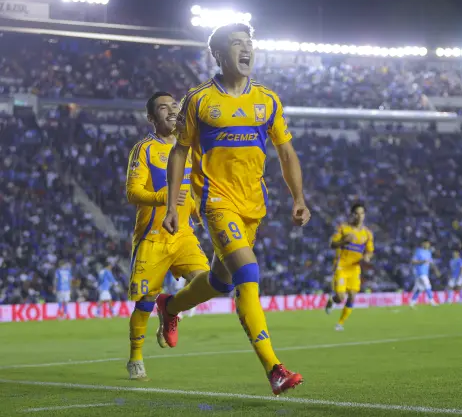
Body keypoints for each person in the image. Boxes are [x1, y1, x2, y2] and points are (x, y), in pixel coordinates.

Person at [158, 23, 311, 395]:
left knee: (220, 281)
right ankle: (274, 368)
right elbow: (180, 151)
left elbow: (286, 151)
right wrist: (173, 203)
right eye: (236, 44)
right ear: (219, 55)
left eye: (249, 44)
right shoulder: (199, 101)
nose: (246, 49)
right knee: (248, 274)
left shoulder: (267, 101)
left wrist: (299, 198)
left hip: (252, 206)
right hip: (216, 202)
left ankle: (170, 305)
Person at [125, 92, 210, 380]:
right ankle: (136, 357)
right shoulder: (144, 149)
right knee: (144, 300)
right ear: (151, 118)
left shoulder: (190, 147)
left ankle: (170, 308)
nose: (171, 111)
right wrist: (165, 196)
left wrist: (198, 210)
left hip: (183, 235)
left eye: (175, 105)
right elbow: (132, 192)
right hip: (153, 236)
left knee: (209, 282)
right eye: (163, 108)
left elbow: (196, 186)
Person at [324, 203, 374, 331]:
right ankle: (332, 300)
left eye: (362, 213)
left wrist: (367, 256)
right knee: (340, 298)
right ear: (352, 215)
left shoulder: (367, 233)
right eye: (356, 213)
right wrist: (343, 242)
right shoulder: (343, 229)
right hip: (341, 267)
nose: (359, 216)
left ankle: (340, 323)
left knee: (352, 296)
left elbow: (369, 251)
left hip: (355, 268)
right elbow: (332, 244)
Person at [409, 240, 440, 307]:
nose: (428, 245)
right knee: (427, 285)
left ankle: (412, 302)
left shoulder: (429, 252)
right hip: (420, 272)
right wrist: (422, 261)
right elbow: (413, 261)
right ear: (423, 244)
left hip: (425, 273)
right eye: (426, 243)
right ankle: (432, 301)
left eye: (428, 244)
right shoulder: (418, 251)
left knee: (419, 288)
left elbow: (431, 262)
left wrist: (436, 270)